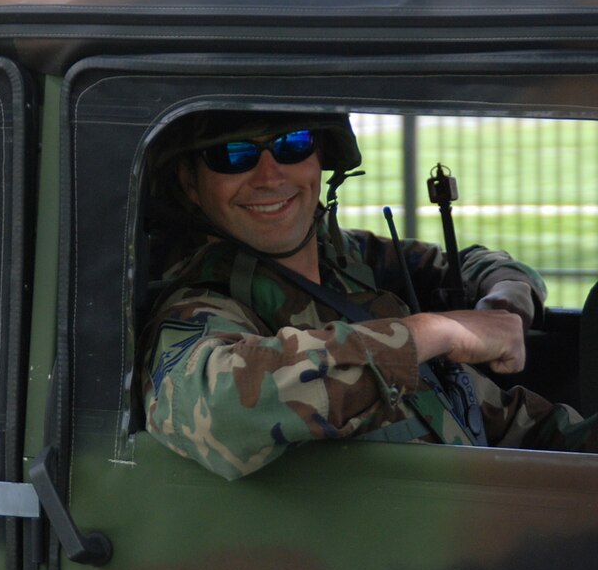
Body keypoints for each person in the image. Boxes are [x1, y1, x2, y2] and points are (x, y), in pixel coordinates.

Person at [141, 110, 598, 480]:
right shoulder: (201, 305)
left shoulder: (344, 259)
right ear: (189, 182)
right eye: (232, 155)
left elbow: (480, 267)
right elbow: (218, 409)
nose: (269, 174)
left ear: (320, 156)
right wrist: (433, 332)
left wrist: (505, 303)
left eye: (293, 144)